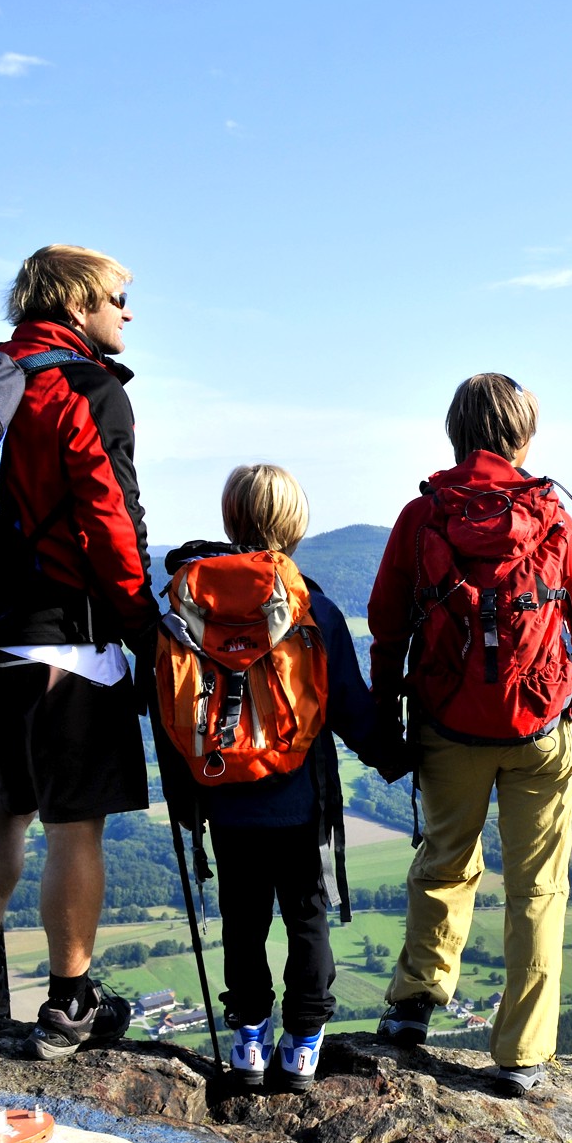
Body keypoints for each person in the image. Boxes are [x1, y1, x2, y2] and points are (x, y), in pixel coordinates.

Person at [367, 374, 572, 1096]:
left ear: (455, 432)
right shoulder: (550, 514)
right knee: (538, 886)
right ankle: (522, 1054)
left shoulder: (423, 516)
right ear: (522, 435)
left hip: (448, 724)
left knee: (445, 859)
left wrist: (388, 705)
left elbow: (387, 622)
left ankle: (415, 1002)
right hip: (543, 724)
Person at [0, 245, 157, 1061]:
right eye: (118, 296)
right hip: (71, 640)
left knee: (6, 804)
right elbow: (109, 517)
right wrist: (143, 623)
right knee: (76, 824)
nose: (127, 311)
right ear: (77, 303)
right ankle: (69, 1001)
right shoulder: (85, 389)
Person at [161, 465, 378, 1091]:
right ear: (296, 526)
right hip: (297, 799)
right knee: (306, 914)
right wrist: (403, 757)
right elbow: (350, 709)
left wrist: (186, 795)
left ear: (230, 519)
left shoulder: (188, 602)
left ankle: (249, 1039)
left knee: (243, 918)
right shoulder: (310, 605)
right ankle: (304, 1042)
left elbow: (167, 702)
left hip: (223, 797)